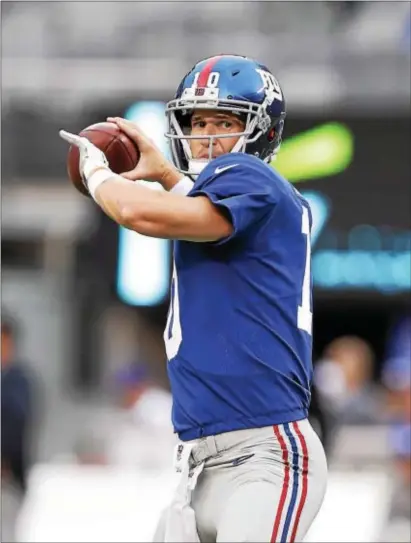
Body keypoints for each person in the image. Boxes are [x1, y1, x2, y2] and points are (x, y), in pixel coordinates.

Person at [60, 54, 327, 542]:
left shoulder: (252, 178)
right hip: (198, 467)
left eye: (224, 121)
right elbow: (199, 211)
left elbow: (142, 216)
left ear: (260, 130)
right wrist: (166, 174)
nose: (205, 134)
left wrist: (99, 175)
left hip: (263, 456)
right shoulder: (236, 202)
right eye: (197, 120)